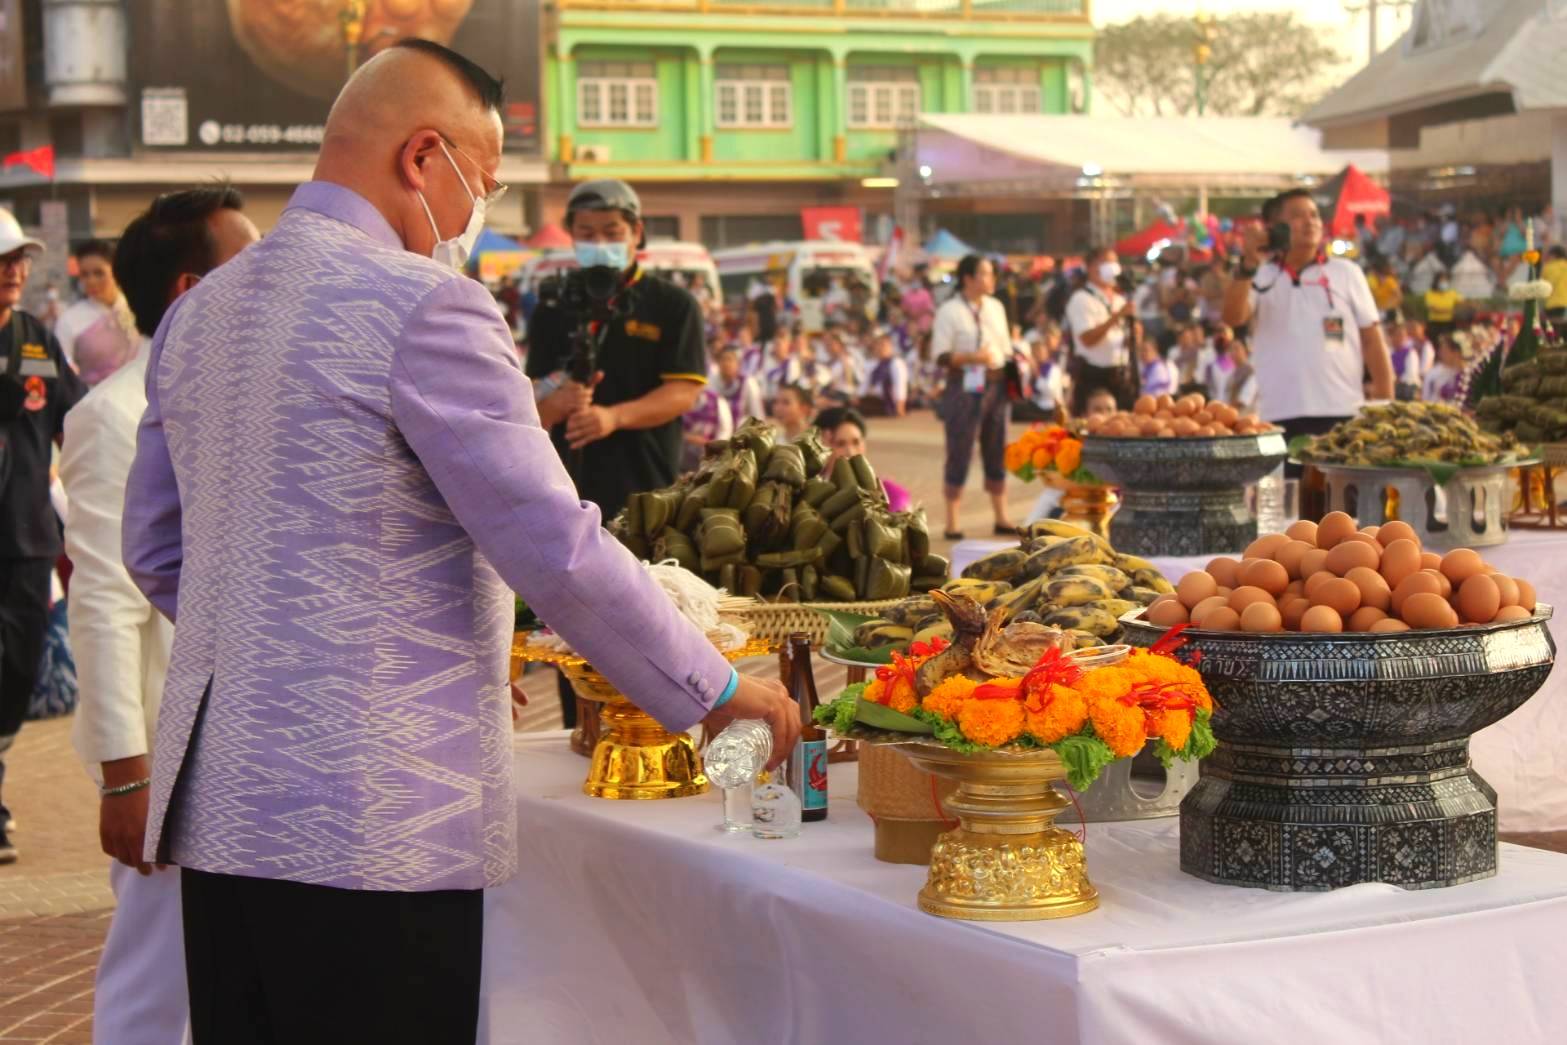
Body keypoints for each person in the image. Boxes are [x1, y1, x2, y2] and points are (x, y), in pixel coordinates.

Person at [119, 42, 797, 1044]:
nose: (480, 208)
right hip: (374, 813)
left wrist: (284, 633)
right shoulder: (425, 304)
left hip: (224, 810)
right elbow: (551, 544)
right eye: (481, 181)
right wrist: (718, 687)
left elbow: (156, 549)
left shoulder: (201, 312)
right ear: (421, 156)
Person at [61, 184, 259, 1045]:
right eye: (250, 264)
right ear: (192, 291)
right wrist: (127, 773)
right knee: (156, 975)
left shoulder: (255, 403)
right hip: (168, 748)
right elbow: (104, 606)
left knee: (227, 967)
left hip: (251, 730)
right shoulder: (112, 416)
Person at [0, 208, 87, 866]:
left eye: (19, 259)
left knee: (16, 673)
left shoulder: (36, 339)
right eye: (4, 260)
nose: (14, 271)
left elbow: (78, 422)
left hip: (28, 540)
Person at [1222, 187, 1394, 468]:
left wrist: (1387, 408)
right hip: (1279, 415)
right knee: (1289, 507)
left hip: (1343, 413)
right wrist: (1249, 262)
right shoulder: (1259, 276)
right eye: (1298, 216)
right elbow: (1233, 317)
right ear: (1274, 228)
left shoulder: (1346, 273)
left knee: (1342, 509)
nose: (1310, 222)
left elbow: (1373, 341)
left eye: (1314, 215)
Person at [931, 253, 1015, 540]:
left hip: (996, 383)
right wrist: (971, 357)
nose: (991, 279)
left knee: (996, 447)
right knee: (959, 447)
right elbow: (940, 355)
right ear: (968, 278)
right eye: (985, 274)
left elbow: (1005, 347)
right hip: (964, 384)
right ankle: (953, 520)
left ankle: (1001, 515)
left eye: (991, 273)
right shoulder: (950, 310)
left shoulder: (996, 307)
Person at [1065, 246, 1136, 413]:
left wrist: (1133, 334)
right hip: (1093, 374)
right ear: (1090, 267)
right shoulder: (1081, 299)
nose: (1111, 266)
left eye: (1114, 261)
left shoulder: (1120, 299)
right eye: (1105, 262)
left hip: (1120, 373)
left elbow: (1127, 342)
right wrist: (1116, 317)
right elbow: (1087, 339)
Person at [813, 405, 911, 513]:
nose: (850, 452)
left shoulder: (893, 495)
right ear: (821, 447)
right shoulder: (806, 493)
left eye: (856, 442)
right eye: (840, 444)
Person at [53, 240, 136, 366]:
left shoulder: (138, 308)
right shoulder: (69, 319)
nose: (91, 281)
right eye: (84, 274)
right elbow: (64, 366)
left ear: (116, 272)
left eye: (99, 273)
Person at [859, 330, 908, 418]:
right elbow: (864, 384)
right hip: (870, 399)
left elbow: (900, 385)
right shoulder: (871, 363)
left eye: (884, 345)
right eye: (878, 345)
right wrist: (859, 397)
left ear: (891, 347)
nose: (881, 348)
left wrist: (900, 406)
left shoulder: (896, 363)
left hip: (886, 402)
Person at [712, 344, 765, 424]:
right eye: (722, 359)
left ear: (738, 364)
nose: (726, 363)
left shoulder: (748, 383)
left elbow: (757, 415)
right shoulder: (712, 382)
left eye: (730, 360)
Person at [1423, 332, 1468, 404]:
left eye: (1445, 350)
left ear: (1456, 352)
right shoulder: (1433, 373)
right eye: (1441, 350)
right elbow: (1426, 396)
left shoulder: (1466, 372)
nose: (1441, 353)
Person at [1423, 270, 1461, 340]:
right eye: (1441, 280)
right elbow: (1433, 308)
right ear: (1436, 281)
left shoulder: (1452, 293)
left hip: (1449, 323)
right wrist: (1451, 310)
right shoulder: (1430, 293)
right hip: (1435, 324)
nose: (1443, 283)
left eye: (1445, 280)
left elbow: (1462, 304)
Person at [1367, 257, 1403, 324]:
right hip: (1379, 312)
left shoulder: (1390, 281)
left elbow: (1399, 297)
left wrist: (1389, 305)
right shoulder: (1374, 282)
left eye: (1372, 270)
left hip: (1391, 312)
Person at [1542, 245, 1567, 326]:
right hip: (1563, 301)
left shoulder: (1547, 267)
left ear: (1554, 255)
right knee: (1560, 324)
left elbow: (1543, 284)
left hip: (1550, 303)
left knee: (1550, 325)